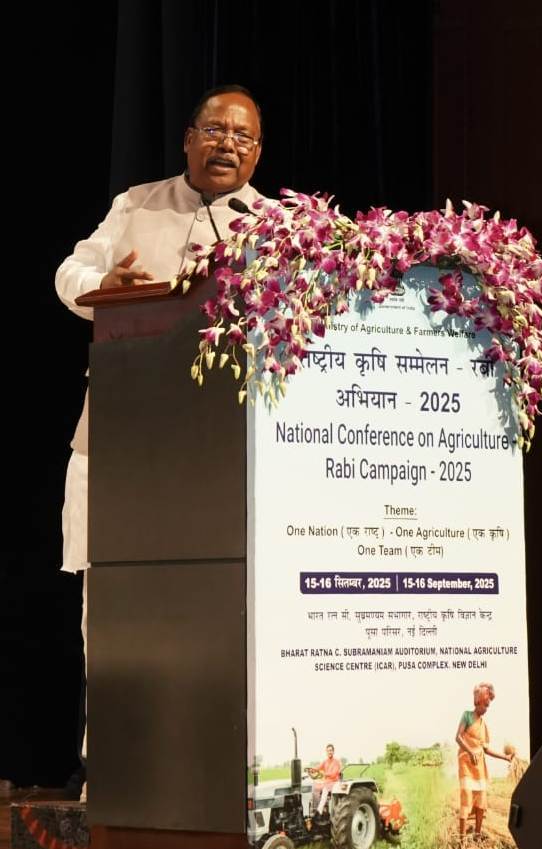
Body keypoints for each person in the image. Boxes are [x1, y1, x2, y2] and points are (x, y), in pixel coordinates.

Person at [55, 83, 265, 800]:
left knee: (218, 613)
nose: (227, 143)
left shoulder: (277, 227)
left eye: (241, 135)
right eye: (215, 130)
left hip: (222, 457)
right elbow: (70, 272)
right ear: (188, 138)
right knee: (116, 614)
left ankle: (214, 776)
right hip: (123, 446)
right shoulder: (137, 205)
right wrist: (103, 285)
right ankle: (114, 777)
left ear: (257, 152)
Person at [455, 682, 512, 842]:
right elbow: (458, 737)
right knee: (467, 798)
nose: (486, 708)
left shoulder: (484, 725)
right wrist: (470, 751)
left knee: (481, 800)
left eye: (488, 706)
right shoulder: (467, 715)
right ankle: (461, 839)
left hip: (479, 767)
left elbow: (486, 749)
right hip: (466, 764)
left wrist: (505, 757)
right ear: (478, 700)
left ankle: (477, 835)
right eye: (485, 704)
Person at [306, 743, 342, 816]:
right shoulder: (325, 761)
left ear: (333, 751)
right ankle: (313, 808)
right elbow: (318, 767)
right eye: (328, 751)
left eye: (331, 750)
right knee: (315, 786)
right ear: (326, 752)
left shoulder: (336, 762)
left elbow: (334, 774)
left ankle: (319, 811)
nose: (329, 752)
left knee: (325, 790)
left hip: (334, 782)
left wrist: (324, 774)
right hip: (327, 782)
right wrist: (312, 770)